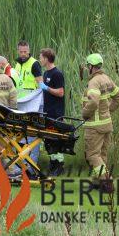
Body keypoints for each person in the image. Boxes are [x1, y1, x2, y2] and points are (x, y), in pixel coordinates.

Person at [81, 53, 119, 192]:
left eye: (88, 66)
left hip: (95, 126)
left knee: (92, 155)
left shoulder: (94, 81)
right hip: (106, 124)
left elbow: (93, 101)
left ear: (91, 66)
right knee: (102, 156)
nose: (88, 68)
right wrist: (108, 111)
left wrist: (85, 114)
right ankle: (98, 182)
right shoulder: (106, 78)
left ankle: (107, 182)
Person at [39, 48, 66, 177]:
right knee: (48, 140)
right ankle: (52, 162)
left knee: (55, 139)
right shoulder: (46, 74)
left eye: (41, 57)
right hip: (47, 112)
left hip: (56, 113)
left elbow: (61, 93)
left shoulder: (57, 74)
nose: (40, 60)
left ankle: (60, 165)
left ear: (46, 58)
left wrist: (46, 88)